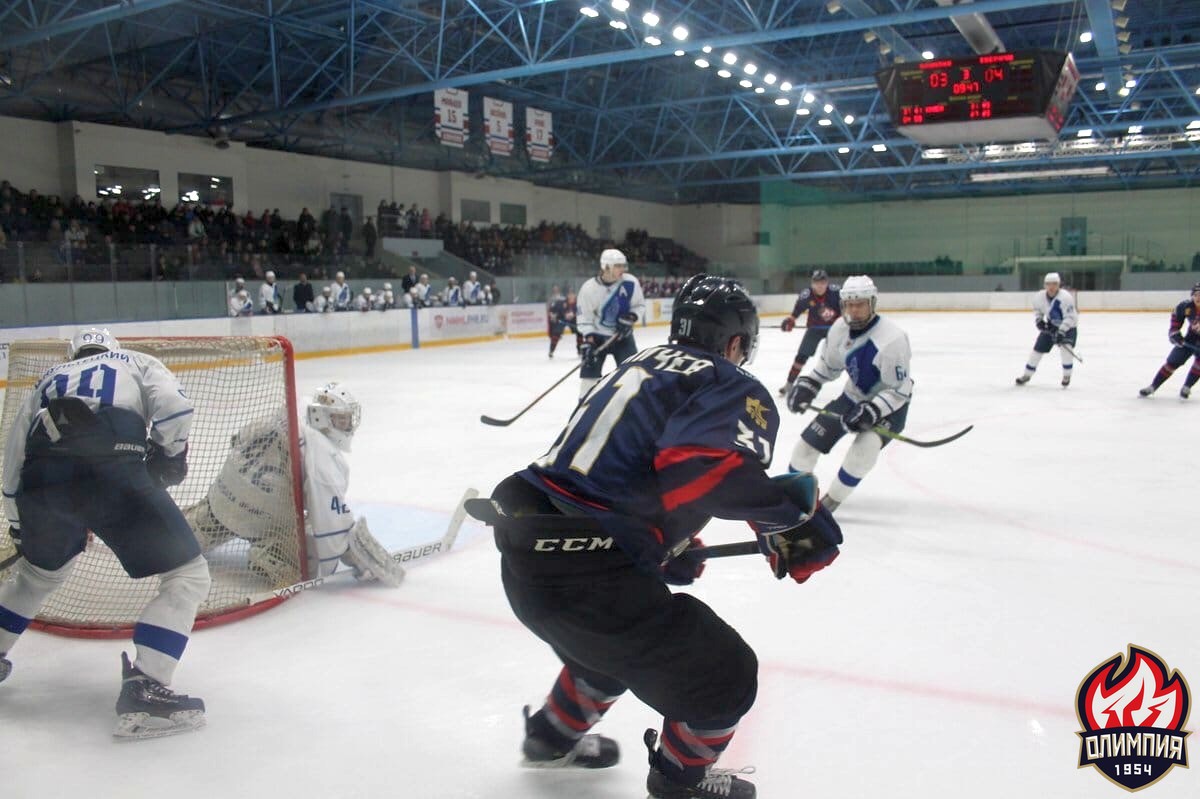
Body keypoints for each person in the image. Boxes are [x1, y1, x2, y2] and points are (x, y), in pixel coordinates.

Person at [488, 275, 841, 799]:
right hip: (591, 578)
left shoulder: (640, 362)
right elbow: (698, 471)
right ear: (736, 342)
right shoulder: (726, 381)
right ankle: (682, 783)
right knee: (725, 677)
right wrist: (788, 521)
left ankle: (550, 737)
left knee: (607, 653)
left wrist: (654, 546)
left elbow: (602, 475)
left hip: (525, 554)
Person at [0, 328, 211, 739]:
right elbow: (174, 408)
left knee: (39, 575)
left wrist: (19, 522)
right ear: (111, 348)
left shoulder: (48, 377)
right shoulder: (134, 360)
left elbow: (14, 455)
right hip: (111, 472)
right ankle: (146, 686)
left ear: (74, 352)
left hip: (41, 482)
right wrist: (167, 454)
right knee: (188, 574)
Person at [185, 383, 403, 588]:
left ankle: (195, 526)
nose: (346, 426)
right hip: (264, 517)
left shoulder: (290, 409)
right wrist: (352, 549)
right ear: (322, 417)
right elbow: (329, 522)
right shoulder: (326, 457)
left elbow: (240, 438)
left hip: (223, 496)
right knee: (306, 539)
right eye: (340, 420)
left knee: (200, 528)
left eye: (346, 420)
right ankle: (273, 553)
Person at [785, 275, 913, 512]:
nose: (854, 310)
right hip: (853, 397)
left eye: (860, 304)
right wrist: (808, 384)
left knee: (864, 451)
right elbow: (828, 367)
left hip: (889, 406)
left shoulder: (892, 339)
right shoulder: (839, 329)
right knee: (804, 448)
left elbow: (899, 390)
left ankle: (830, 503)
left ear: (872, 303)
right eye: (849, 304)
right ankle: (798, 501)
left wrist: (874, 410)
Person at [576, 248, 646, 397]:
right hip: (597, 338)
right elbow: (584, 318)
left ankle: (632, 407)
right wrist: (588, 341)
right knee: (589, 378)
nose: (623, 269)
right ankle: (582, 411)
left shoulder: (630, 282)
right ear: (606, 266)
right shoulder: (589, 288)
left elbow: (639, 305)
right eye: (618, 266)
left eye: (623, 265)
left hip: (622, 337)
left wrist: (631, 317)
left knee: (632, 374)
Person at [778, 269, 842, 396]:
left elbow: (846, 308)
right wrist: (791, 320)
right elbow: (797, 311)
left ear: (827, 283)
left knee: (846, 356)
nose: (819, 286)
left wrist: (845, 322)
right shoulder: (806, 295)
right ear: (812, 283)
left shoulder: (836, 292)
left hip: (835, 329)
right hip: (814, 329)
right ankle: (789, 384)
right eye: (817, 283)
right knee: (801, 356)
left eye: (822, 283)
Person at [1014, 272, 1078, 388]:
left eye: (1054, 284)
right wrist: (1039, 320)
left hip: (1069, 328)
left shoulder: (1065, 297)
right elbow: (1037, 310)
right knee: (1037, 350)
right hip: (1052, 326)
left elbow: (1070, 317)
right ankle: (1027, 375)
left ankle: (1066, 376)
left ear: (1059, 285)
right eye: (1048, 284)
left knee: (1066, 349)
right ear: (1044, 285)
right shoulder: (1039, 296)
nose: (1051, 287)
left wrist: (1062, 331)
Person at [1139, 282, 1200, 398]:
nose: (1199, 297)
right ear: (1192, 295)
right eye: (1196, 294)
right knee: (1172, 362)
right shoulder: (1185, 307)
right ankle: (1153, 386)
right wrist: (1175, 334)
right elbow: (1175, 321)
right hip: (1190, 340)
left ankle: (1187, 387)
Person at [547, 289, 582, 358]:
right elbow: (552, 309)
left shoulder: (579, 303)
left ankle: (580, 350)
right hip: (562, 320)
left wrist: (574, 314)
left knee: (580, 332)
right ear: (567, 296)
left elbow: (580, 312)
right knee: (556, 333)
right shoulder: (560, 302)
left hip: (574, 320)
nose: (571, 297)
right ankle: (551, 350)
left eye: (572, 295)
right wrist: (552, 314)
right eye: (570, 295)